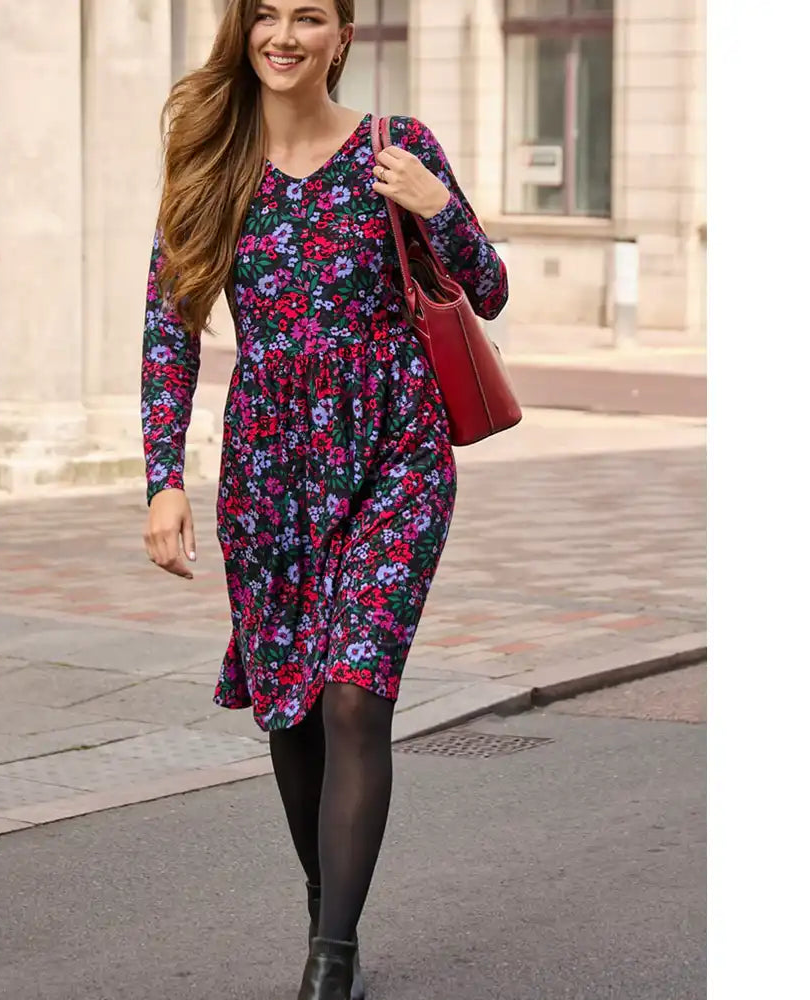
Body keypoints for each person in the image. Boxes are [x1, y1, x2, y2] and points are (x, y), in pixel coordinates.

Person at [141, 2, 508, 997]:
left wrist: (438, 206)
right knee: (290, 711)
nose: (285, 35)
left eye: (310, 16)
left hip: (396, 451)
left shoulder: (398, 148)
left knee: (353, 695)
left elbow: (492, 288)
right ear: (245, 32)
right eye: (266, 14)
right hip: (267, 470)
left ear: (343, 35)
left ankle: (330, 958)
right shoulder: (212, 166)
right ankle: (327, 899)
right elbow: (169, 328)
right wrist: (163, 477)